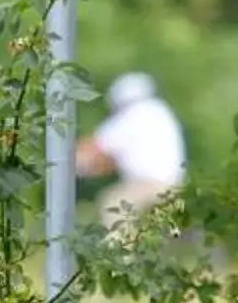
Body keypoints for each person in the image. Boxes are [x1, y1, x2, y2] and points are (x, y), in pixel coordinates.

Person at [78, 71, 186, 228]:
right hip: (172, 185)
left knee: (113, 204)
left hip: (151, 185)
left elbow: (97, 145)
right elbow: (117, 160)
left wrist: (72, 160)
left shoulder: (134, 114)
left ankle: (118, 250)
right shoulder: (160, 111)